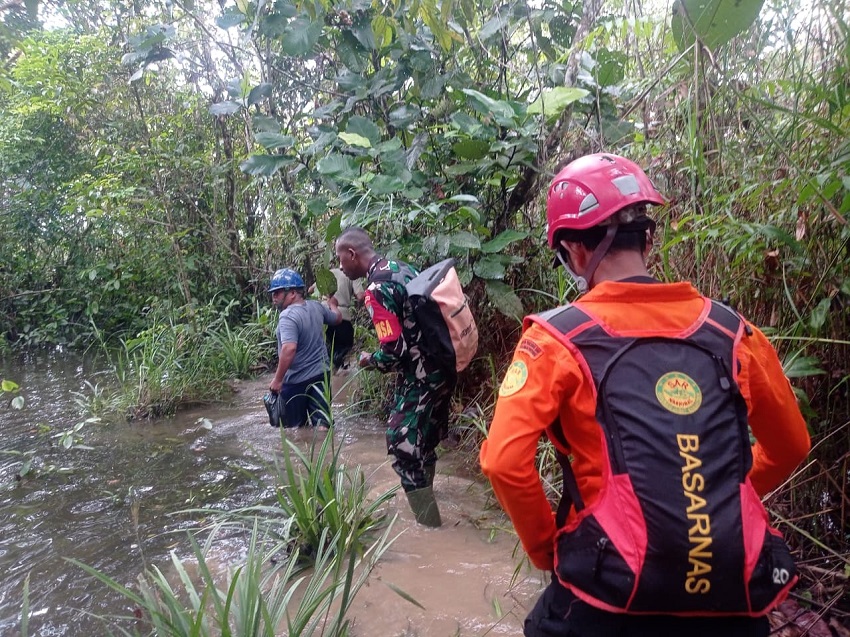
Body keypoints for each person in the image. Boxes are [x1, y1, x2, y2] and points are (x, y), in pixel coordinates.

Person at [479, 153, 811, 637]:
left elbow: (504, 463)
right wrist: (707, 509)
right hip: (732, 595)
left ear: (572, 251)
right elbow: (791, 447)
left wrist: (547, 549)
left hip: (608, 595)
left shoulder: (555, 340)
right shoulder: (733, 332)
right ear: (649, 239)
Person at [335, 227, 454, 527]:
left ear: (352, 254)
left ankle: (430, 528)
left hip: (420, 376)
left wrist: (367, 360)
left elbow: (394, 352)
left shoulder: (376, 290)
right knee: (423, 441)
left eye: (340, 259)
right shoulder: (401, 268)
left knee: (402, 446)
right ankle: (428, 500)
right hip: (442, 366)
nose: (339, 267)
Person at [268, 267, 342, 429]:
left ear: (293, 293)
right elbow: (337, 319)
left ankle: (300, 454)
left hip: (295, 380)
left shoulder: (287, 316)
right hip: (321, 375)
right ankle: (327, 453)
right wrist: (333, 304)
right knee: (323, 425)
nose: (274, 297)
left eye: (278, 292)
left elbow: (289, 349)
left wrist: (278, 379)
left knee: (294, 429)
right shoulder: (316, 307)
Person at [324, 268, 364, 371]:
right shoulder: (352, 274)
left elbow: (311, 289)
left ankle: (332, 379)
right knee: (343, 351)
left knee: (329, 353)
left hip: (323, 316)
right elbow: (360, 296)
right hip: (342, 316)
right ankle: (341, 378)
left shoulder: (328, 273)